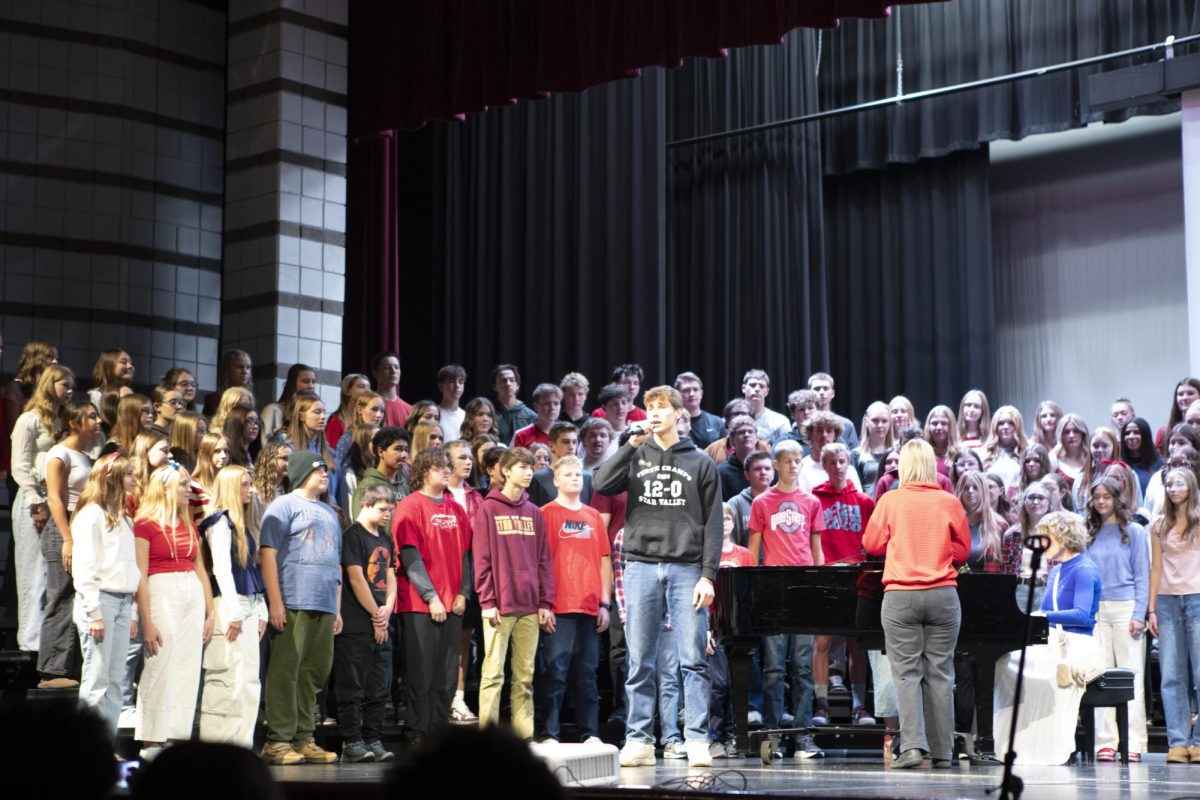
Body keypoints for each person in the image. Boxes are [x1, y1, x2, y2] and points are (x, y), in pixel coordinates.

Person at [593, 385, 722, 768]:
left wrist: (708, 576)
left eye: (662, 407)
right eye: (649, 407)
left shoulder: (700, 461)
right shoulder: (636, 454)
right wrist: (631, 444)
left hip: (686, 568)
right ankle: (639, 741)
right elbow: (601, 484)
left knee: (693, 660)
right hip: (640, 566)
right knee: (639, 660)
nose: (653, 413)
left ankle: (696, 739)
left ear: (679, 414)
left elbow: (713, 523)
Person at [862, 439, 970, 769]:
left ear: (905, 467)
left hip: (901, 596)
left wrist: (902, 543)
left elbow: (871, 544)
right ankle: (943, 753)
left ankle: (911, 748)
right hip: (943, 596)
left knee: (906, 674)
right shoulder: (949, 501)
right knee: (941, 673)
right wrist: (936, 549)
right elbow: (963, 551)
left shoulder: (891, 500)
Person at [993, 511, 1101, 766]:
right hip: (1054, 639)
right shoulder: (1055, 571)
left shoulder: (1085, 570)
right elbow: (1043, 612)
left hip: (1077, 642)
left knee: (1036, 667)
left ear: (1063, 537)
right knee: (1006, 661)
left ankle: (1045, 747)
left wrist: (1042, 616)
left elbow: (1081, 615)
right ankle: (1011, 743)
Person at [258, 451, 343, 765]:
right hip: (293, 599)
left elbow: (336, 563)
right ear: (302, 473)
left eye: (325, 470)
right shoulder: (283, 506)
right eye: (318, 470)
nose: (324, 475)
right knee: (286, 670)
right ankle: (278, 740)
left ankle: (304, 737)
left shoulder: (330, 512)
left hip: (324, 602)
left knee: (314, 673)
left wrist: (337, 608)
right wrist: (275, 602)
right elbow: (268, 554)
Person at [746, 438, 825, 756]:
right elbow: (752, 553)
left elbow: (817, 552)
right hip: (773, 591)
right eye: (788, 461)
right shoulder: (761, 503)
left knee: (803, 668)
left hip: (803, 590)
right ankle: (773, 735)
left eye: (797, 460)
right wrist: (755, 590)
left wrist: (819, 587)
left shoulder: (811, 502)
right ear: (776, 465)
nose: (794, 465)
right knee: (774, 669)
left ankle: (803, 736)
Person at [133, 462, 215, 761]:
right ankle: (152, 739)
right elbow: (140, 575)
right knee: (161, 663)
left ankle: (177, 739)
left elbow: (201, 569)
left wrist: (210, 612)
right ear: (165, 488)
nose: (188, 489)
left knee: (187, 667)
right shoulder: (144, 524)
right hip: (161, 589)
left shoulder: (188, 524)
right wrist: (147, 620)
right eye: (182, 484)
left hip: (191, 590)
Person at [473, 447, 554, 740]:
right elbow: (481, 558)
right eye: (522, 466)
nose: (529, 472)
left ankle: (524, 737)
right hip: (500, 605)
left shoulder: (534, 512)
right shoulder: (488, 508)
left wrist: (545, 601)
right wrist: (487, 600)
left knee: (525, 677)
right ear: (506, 471)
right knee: (493, 674)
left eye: (530, 467)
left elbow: (544, 560)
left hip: (529, 605)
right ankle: (488, 737)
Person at [535, 454, 612, 744]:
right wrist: (543, 603)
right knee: (555, 672)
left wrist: (605, 604)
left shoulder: (593, 516)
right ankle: (549, 733)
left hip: (589, 606)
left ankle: (589, 733)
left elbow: (604, 560)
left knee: (587, 674)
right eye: (567, 474)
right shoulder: (544, 514)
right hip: (558, 605)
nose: (574, 478)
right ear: (556, 480)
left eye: (578, 474)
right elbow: (538, 561)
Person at [198, 465, 267, 749]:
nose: (250, 489)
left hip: (247, 603)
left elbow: (250, 568)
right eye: (244, 484)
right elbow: (222, 569)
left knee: (249, 681)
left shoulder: (243, 524)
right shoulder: (219, 522)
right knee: (228, 680)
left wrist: (260, 609)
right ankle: (218, 749)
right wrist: (235, 611)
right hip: (230, 604)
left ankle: (242, 746)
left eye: (250, 483)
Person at [72, 452, 140, 734]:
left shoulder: (123, 518)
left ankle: (106, 744)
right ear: (111, 477)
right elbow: (84, 567)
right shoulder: (91, 515)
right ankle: (86, 747)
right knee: (96, 680)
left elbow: (130, 568)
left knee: (115, 681)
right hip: (101, 601)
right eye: (128, 473)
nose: (134, 478)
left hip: (122, 601)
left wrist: (132, 611)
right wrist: (94, 613)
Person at [11, 363, 74, 654]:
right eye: (65, 385)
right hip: (34, 499)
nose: (70, 391)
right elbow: (20, 466)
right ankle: (29, 641)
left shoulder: (62, 420)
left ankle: (48, 642)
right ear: (50, 385)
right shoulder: (28, 419)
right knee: (32, 571)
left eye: (72, 386)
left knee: (52, 573)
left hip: (56, 498)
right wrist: (35, 502)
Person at [812, 442, 876, 725]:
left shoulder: (864, 502)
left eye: (842, 461)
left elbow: (873, 544)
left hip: (856, 579)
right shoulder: (814, 499)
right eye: (832, 462)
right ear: (824, 466)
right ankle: (821, 705)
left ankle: (859, 707)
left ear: (849, 464)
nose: (838, 467)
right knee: (822, 642)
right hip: (826, 579)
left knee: (856, 644)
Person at [1086, 476, 1150, 761]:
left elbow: (1142, 574)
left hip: (1126, 607)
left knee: (1131, 674)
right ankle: (1105, 742)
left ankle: (1133, 742)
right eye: (1097, 497)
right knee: (1099, 674)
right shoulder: (1088, 532)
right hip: (1097, 609)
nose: (1101, 502)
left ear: (1116, 499)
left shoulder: (1134, 531)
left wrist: (1139, 614)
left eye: (1106, 497)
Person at [40, 400, 101, 688]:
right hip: (63, 526)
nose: (98, 421)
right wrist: (67, 538)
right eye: (91, 416)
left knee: (78, 598)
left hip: (81, 527)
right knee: (61, 596)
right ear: (74, 423)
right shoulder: (59, 454)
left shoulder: (85, 457)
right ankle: (51, 671)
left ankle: (71, 667)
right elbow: (54, 498)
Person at [336, 484, 399, 763]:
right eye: (383, 509)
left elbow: (391, 575)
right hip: (357, 622)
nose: (388, 514)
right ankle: (352, 741)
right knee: (353, 685)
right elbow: (356, 577)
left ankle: (374, 738)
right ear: (367, 505)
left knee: (380, 685)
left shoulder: (384, 538)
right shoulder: (353, 536)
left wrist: (388, 610)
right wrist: (376, 615)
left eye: (390, 510)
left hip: (382, 620)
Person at [1148, 468, 1200, 763]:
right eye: (1169, 484)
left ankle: (1199, 740)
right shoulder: (1158, 525)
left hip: (1197, 599)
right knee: (1171, 675)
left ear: (1190, 487)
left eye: (1179, 483)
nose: (1173, 488)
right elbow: (1156, 568)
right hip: (1167, 602)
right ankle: (1178, 742)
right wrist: (1152, 608)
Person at [706, 504, 755, 758]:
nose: (724, 523)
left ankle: (733, 737)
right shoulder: (707, 555)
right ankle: (714, 737)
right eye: (719, 519)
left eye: (727, 519)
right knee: (719, 684)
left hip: (738, 625)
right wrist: (706, 628)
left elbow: (750, 592)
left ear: (734, 523)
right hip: (714, 624)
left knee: (737, 684)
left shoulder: (744, 555)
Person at [444, 439, 484, 723]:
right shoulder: (438, 494)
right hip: (444, 574)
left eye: (470, 457)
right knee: (440, 644)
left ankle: (458, 699)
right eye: (461, 457)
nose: (468, 462)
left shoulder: (476, 497)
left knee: (463, 641)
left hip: (470, 574)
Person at [350, 426, 411, 518]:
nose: (404, 455)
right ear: (380, 452)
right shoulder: (367, 486)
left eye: (406, 450)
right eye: (398, 449)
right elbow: (361, 523)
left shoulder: (404, 485)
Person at [527, 422, 592, 505]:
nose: (571, 447)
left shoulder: (587, 478)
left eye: (574, 442)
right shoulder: (537, 478)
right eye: (565, 442)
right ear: (551, 446)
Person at [726, 451, 774, 548]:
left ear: (773, 474)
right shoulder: (735, 504)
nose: (763, 472)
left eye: (767, 468)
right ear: (747, 475)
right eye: (757, 469)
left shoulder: (782, 501)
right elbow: (729, 544)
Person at [260, 364, 316, 444]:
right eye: (305, 381)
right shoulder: (273, 410)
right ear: (293, 384)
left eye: (313, 382)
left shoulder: (312, 413)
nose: (311, 386)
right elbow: (264, 444)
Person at [980, 405, 1028, 497]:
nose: (1005, 427)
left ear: (1018, 426)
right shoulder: (983, 454)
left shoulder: (1027, 452)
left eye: (1011, 423)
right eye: (1001, 423)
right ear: (995, 427)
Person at [808, 372, 860, 448]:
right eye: (817, 389)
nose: (821, 392)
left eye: (826, 388)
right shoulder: (803, 424)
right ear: (809, 393)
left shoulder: (846, 424)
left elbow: (854, 453)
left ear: (833, 393)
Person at [490, 363, 538, 445]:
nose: (508, 384)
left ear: (517, 385)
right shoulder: (489, 413)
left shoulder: (531, 416)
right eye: (503, 380)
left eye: (512, 380)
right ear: (495, 386)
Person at [675, 371, 724, 450]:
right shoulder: (671, 421)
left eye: (695, 390)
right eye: (686, 390)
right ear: (677, 394)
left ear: (701, 393)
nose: (692, 394)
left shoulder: (716, 422)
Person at [855, 401, 894, 498]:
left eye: (884, 421)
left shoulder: (897, 453)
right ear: (866, 421)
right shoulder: (856, 455)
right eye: (875, 421)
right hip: (867, 505)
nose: (880, 425)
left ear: (890, 422)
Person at [741, 369, 790, 444]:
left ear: (767, 391)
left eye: (761, 386)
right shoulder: (730, 419)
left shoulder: (781, 421)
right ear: (743, 388)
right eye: (752, 385)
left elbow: (787, 448)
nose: (757, 389)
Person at [717, 414, 760, 500]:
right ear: (732, 440)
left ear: (756, 438)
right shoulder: (720, 471)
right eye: (741, 432)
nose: (747, 435)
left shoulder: (767, 467)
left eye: (750, 431)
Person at [203, 350, 253, 419]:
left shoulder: (249, 399)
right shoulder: (214, 400)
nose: (245, 371)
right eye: (239, 367)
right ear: (227, 369)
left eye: (248, 367)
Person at [326, 373, 371, 449]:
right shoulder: (336, 420)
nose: (368, 391)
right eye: (361, 386)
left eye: (369, 387)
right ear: (348, 391)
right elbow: (331, 449)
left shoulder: (367, 418)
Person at [370, 351, 413, 428]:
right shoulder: (368, 405)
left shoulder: (409, 410)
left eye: (396, 367)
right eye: (387, 368)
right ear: (376, 374)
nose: (393, 371)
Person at [513, 384, 563, 448]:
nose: (552, 408)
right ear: (536, 406)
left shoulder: (567, 435)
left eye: (556, 403)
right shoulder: (521, 435)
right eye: (546, 404)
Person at [1122, 417, 1163, 493]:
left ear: (1145, 435)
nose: (1131, 436)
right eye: (1127, 433)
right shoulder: (1119, 464)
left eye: (1136, 432)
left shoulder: (1159, 464)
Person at [436, 364, 468, 441]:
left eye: (460, 382)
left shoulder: (466, 416)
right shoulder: (435, 414)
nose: (457, 386)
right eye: (452, 382)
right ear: (441, 386)